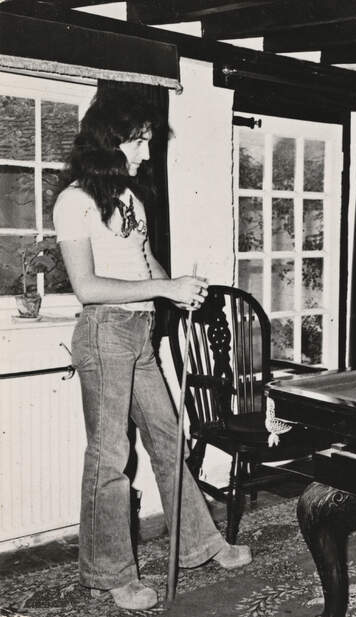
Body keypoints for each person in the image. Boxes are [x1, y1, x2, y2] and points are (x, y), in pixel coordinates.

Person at [53, 89, 251, 610]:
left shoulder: (130, 200)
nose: (145, 153)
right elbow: (88, 287)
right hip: (103, 333)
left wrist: (180, 289)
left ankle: (200, 543)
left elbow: (145, 265)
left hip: (138, 334)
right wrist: (164, 290)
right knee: (111, 456)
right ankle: (110, 573)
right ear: (109, 141)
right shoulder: (74, 202)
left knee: (169, 438)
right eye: (138, 142)